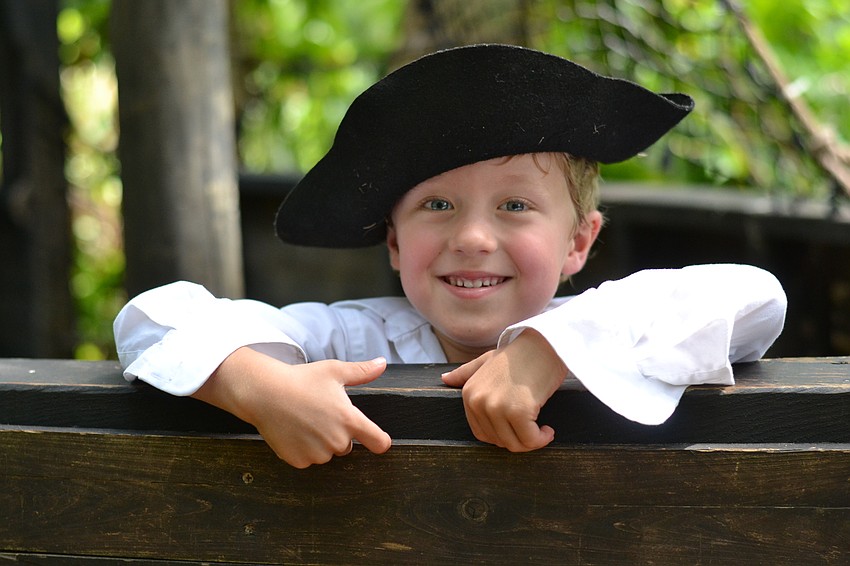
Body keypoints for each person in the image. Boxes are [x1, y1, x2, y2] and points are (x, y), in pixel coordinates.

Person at [113, 44, 787, 468]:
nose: (471, 237)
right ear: (395, 241)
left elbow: (756, 296)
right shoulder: (350, 342)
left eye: (515, 206)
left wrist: (546, 348)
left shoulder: (610, 328)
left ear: (579, 241)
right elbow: (153, 316)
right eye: (438, 206)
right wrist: (262, 391)